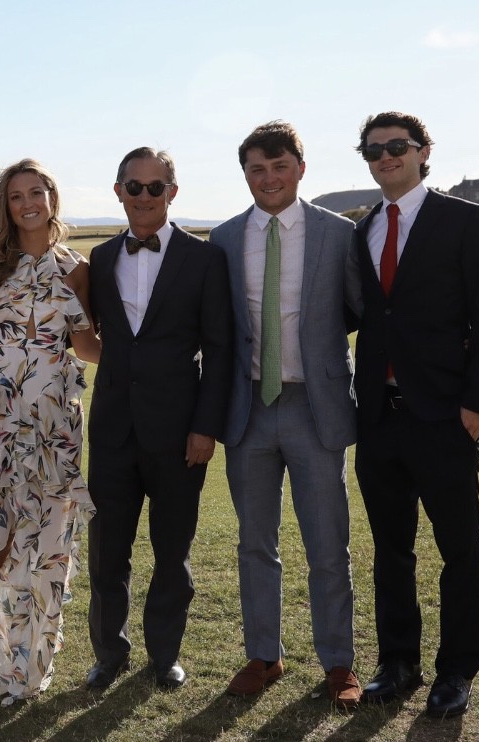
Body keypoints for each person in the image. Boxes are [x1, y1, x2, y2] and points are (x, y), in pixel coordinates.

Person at [352, 112, 479, 718]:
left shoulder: (465, 220)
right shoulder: (362, 229)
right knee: (391, 549)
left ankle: (457, 670)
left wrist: (477, 404)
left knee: (458, 549)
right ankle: (398, 663)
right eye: (373, 150)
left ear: (422, 151)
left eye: (397, 146)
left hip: (444, 416)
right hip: (378, 418)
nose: (386, 156)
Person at [209, 121, 363, 708]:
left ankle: (339, 663)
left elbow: (358, 310)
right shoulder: (224, 239)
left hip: (315, 408)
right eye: (257, 169)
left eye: (279, 167)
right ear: (245, 174)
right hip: (248, 408)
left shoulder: (337, 234)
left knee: (328, 544)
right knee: (255, 542)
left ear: (300, 168)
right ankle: (263, 655)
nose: (269, 178)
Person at [85, 147, 233, 690]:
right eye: (134, 186)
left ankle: (164, 654)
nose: (144, 196)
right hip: (112, 430)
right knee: (107, 553)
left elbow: (220, 350)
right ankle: (109, 653)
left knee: (173, 552)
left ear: (172, 192)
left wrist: (205, 427)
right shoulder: (100, 258)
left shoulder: (205, 259)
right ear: (118, 191)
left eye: (155, 187)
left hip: (179, 433)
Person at [0, 159, 100, 705]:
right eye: (16, 196)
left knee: (47, 544)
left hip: (56, 424)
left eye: (35, 192)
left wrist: (158, 358)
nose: (27, 204)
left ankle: (32, 663)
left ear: (51, 198)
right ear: (6, 205)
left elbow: (86, 345)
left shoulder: (76, 269)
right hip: (0, 422)